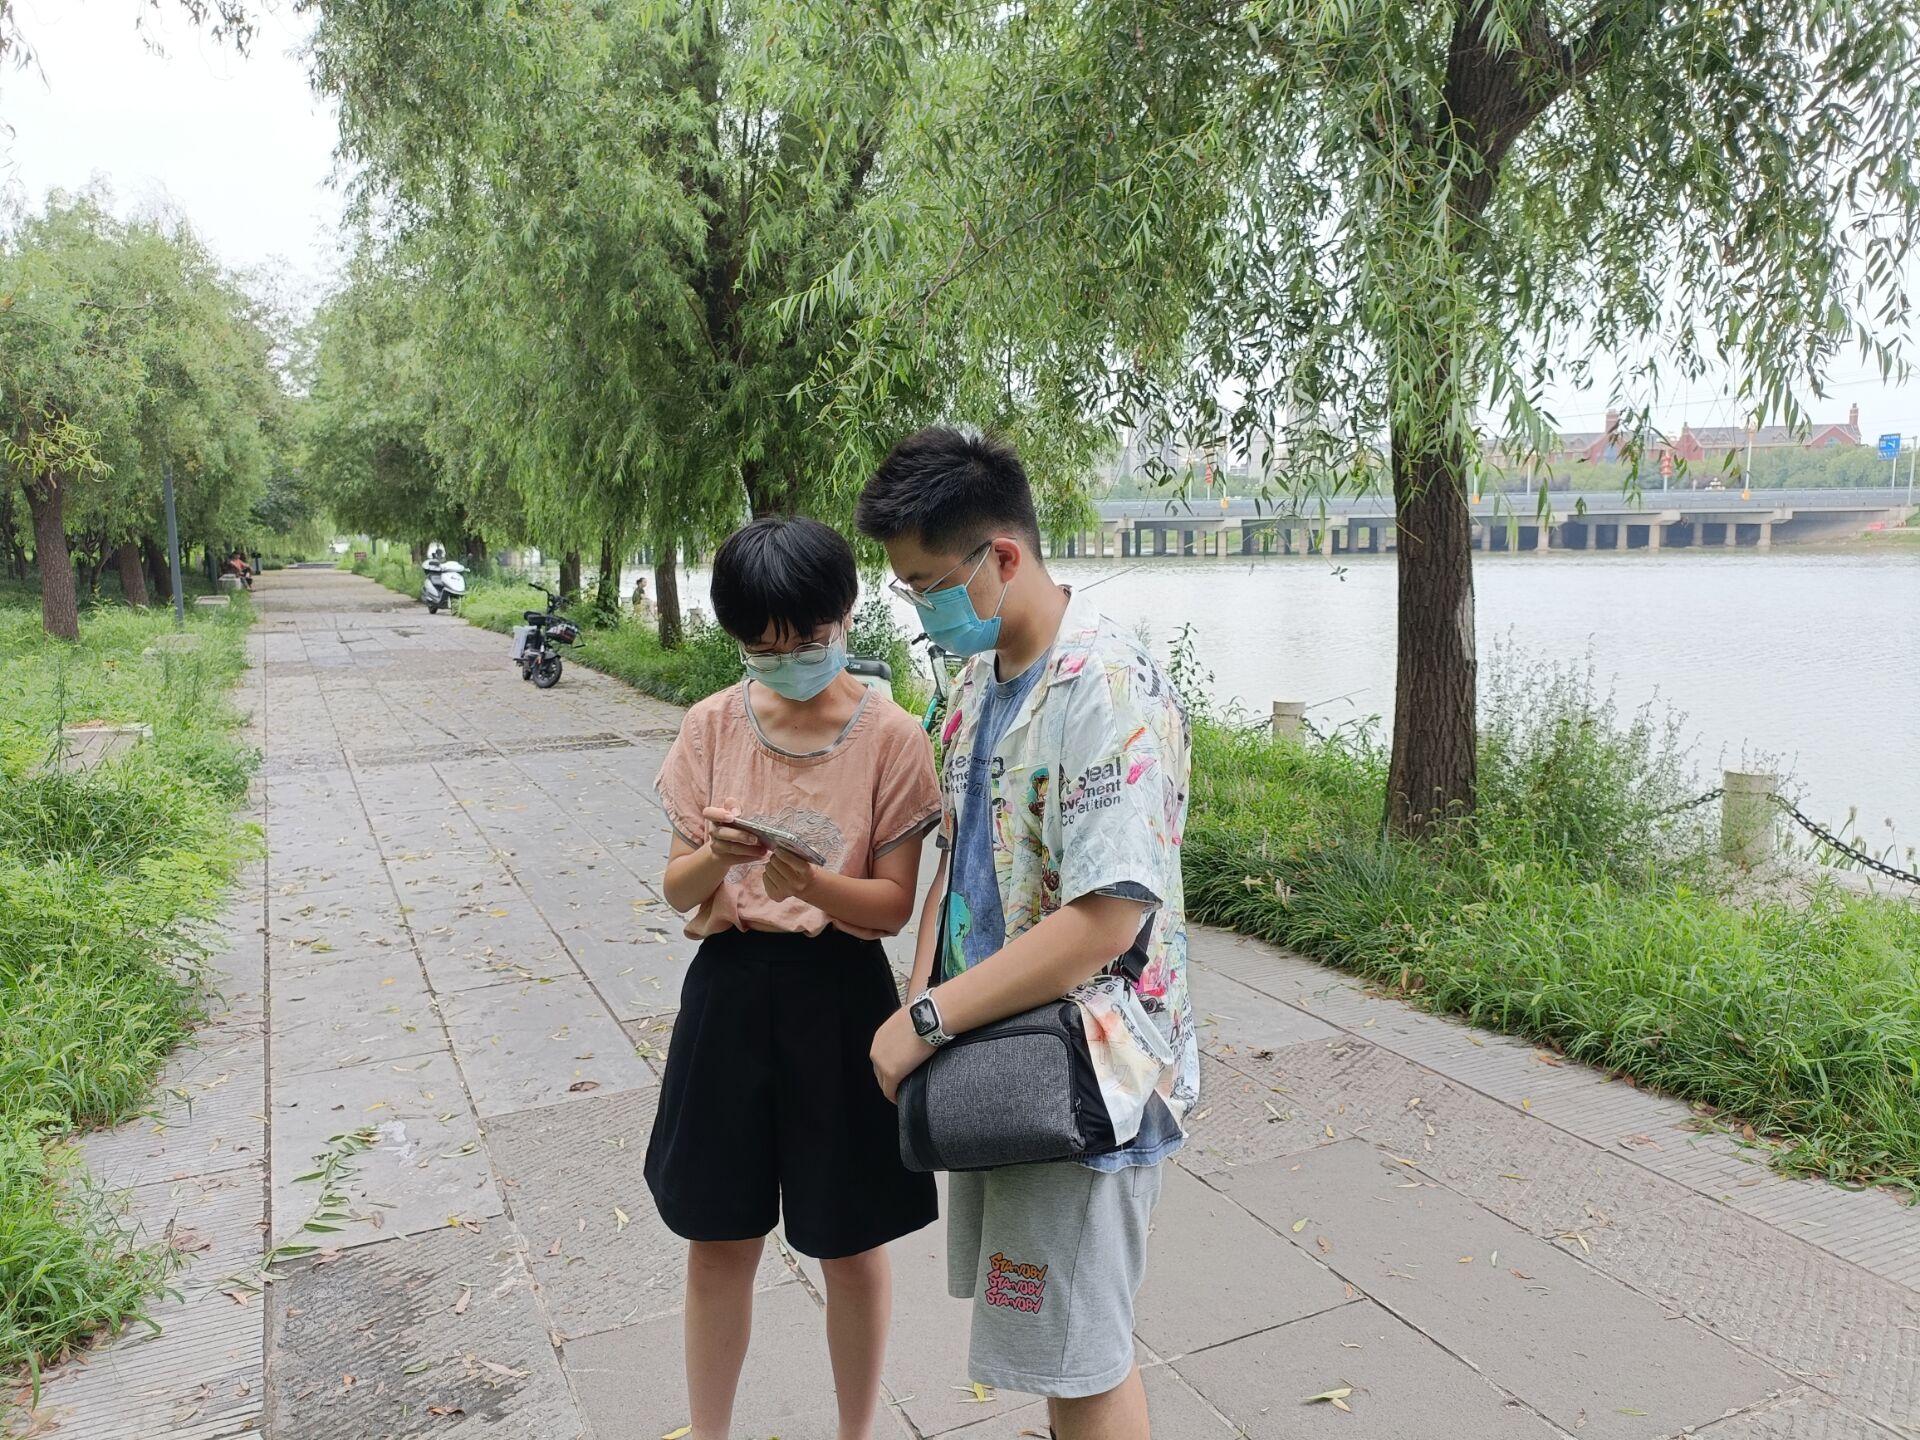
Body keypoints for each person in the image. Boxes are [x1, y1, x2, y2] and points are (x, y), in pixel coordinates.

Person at [857, 427, 1196, 1440]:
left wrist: (927, 1019)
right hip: (1003, 1054)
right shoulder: (975, 682)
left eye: (929, 586)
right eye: (908, 591)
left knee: (1085, 1360)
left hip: (1091, 1073)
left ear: (1002, 557)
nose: (922, 609)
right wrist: (922, 1003)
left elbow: (1105, 920)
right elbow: (955, 859)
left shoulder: (1105, 686)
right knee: (1060, 1347)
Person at [647, 515, 941, 1440]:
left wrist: (810, 883)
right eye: (763, 648)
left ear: (845, 615)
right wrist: (719, 856)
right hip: (729, 992)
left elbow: (891, 907)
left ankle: (856, 1432)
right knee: (717, 1238)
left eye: (806, 641)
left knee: (849, 1245)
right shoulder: (710, 726)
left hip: (841, 993)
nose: (787, 663)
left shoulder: (893, 736)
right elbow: (675, 887)